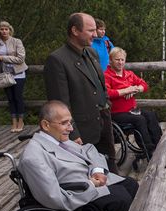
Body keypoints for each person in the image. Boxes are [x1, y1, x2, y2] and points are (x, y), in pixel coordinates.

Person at [18, 100, 139, 211]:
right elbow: (53, 197)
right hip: (77, 196)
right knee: (121, 198)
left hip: (89, 182)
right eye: (64, 123)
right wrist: (91, 183)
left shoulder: (57, 139)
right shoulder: (33, 157)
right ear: (46, 125)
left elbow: (89, 150)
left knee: (131, 184)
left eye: (70, 122)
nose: (70, 128)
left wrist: (97, 170)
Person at [44, 12, 119, 174]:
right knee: (89, 173)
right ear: (75, 31)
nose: (96, 34)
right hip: (81, 130)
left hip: (103, 122)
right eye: (90, 30)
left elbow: (100, 84)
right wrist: (73, 132)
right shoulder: (57, 60)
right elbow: (60, 103)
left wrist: (107, 105)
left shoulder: (92, 53)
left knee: (110, 166)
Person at [104, 47, 162, 156]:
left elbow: (145, 85)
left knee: (151, 115)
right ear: (110, 60)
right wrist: (125, 90)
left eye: (122, 59)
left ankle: (158, 145)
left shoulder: (129, 74)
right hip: (117, 113)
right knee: (139, 119)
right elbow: (107, 93)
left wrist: (136, 89)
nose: (120, 62)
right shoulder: (107, 76)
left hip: (131, 110)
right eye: (117, 59)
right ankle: (149, 150)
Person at [0, 21, 28, 133]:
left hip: (18, 74)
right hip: (4, 75)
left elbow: (20, 59)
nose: (4, 31)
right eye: (1, 29)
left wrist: (3, 58)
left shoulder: (16, 41)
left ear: (10, 30)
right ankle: (13, 121)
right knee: (10, 99)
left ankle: (20, 121)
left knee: (18, 98)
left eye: (6, 29)